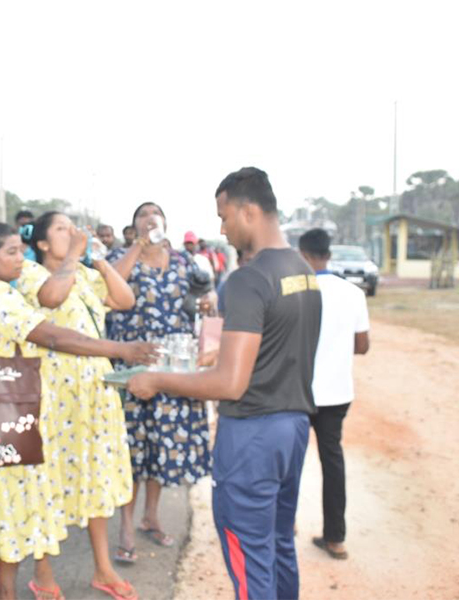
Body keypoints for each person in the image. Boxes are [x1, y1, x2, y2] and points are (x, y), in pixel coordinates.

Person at [0, 223, 157, 600]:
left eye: (20, 251)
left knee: (3, 508)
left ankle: (4, 593)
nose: (20, 258)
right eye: (11, 252)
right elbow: (52, 336)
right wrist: (120, 349)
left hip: (1, 409)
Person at [127, 167, 322, 600]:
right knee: (277, 545)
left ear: (247, 211)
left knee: (249, 557)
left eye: (224, 216)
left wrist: (158, 379)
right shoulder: (301, 270)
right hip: (292, 429)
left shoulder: (249, 279)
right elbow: (273, 345)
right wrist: (218, 353)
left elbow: (231, 384)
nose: (222, 228)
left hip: (252, 433)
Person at [17, 212, 139, 600]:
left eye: (73, 228)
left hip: (94, 396)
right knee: (47, 483)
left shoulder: (85, 275)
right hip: (52, 397)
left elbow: (124, 298)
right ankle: (43, 574)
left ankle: (103, 569)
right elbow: (52, 298)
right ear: (40, 244)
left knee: (96, 479)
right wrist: (74, 256)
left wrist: (99, 259)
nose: (71, 234)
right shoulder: (31, 276)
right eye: (60, 229)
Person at [107, 202, 212, 565]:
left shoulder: (183, 260)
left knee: (161, 444)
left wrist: (203, 304)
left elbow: (196, 300)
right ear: (134, 225)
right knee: (131, 447)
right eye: (142, 215)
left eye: (156, 214)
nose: (150, 219)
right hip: (133, 364)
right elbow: (110, 289)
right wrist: (137, 245)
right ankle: (124, 526)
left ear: (166, 222)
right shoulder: (121, 256)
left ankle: (151, 515)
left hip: (173, 367)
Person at [298, 228, 370, 561]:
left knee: (290, 461)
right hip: (337, 393)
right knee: (333, 462)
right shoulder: (352, 292)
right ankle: (335, 538)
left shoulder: (296, 291)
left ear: (304, 255)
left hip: (298, 391)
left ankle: (286, 526)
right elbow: (362, 346)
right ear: (329, 254)